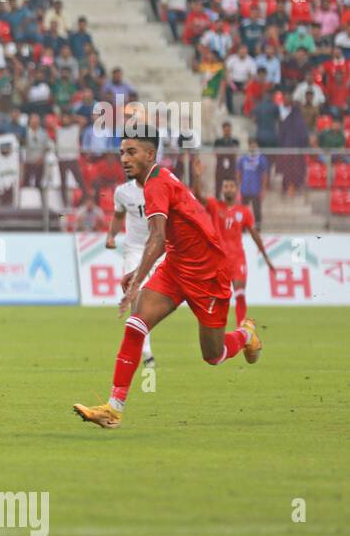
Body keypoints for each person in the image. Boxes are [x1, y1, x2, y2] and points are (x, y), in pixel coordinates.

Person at [74, 126, 262, 429]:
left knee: (213, 355)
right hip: (176, 266)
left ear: (151, 155)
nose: (124, 158)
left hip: (208, 274)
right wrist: (139, 274)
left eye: (131, 152)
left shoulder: (156, 185)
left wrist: (135, 283)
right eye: (122, 152)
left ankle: (245, 336)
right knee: (137, 323)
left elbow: (157, 238)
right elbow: (164, 240)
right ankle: (113, 408)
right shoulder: (154, 181)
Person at [205, 177, 276, 328]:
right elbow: (198, 195)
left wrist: (266, 258)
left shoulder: (243, 211)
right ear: (222, 189)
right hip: (220, 260)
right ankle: (216, 327)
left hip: (237, 259)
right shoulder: (215, 206)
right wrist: (197, 177)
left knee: (240, 294)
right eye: (225, 186)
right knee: (218, 297)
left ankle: (240, 329)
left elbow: (254, 235)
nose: (228, 188)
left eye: (231, 186)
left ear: (236, 190)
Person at [106, 178, 158, 367]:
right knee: (137, 300)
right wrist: (111, 235)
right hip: (134, 250)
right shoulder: (122, 191)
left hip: (160, 249)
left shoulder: (162, 186)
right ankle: (147, 352)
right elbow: (119, 216)